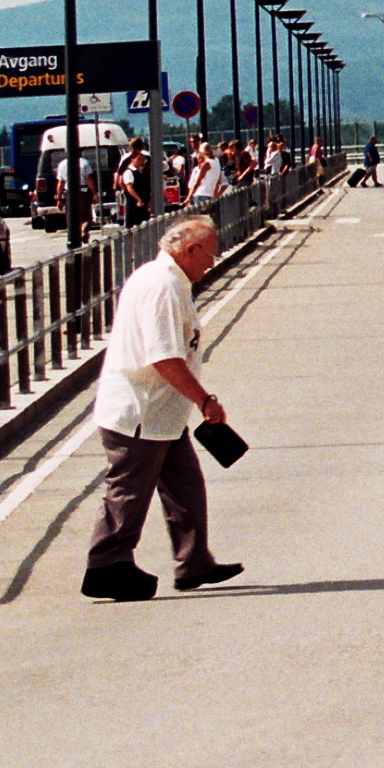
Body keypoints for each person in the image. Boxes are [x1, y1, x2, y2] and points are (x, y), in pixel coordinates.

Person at [80, 216, 242, 601]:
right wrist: (204, 400)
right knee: (128, 491)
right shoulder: (163, 286)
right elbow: (165, 358)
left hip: (162, 414)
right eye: (209, 256)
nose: (211, 264)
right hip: (140, 412)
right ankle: (106, 565)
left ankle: (194, 560)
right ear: (190, 250)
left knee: (185, 485)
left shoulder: (165, 279)